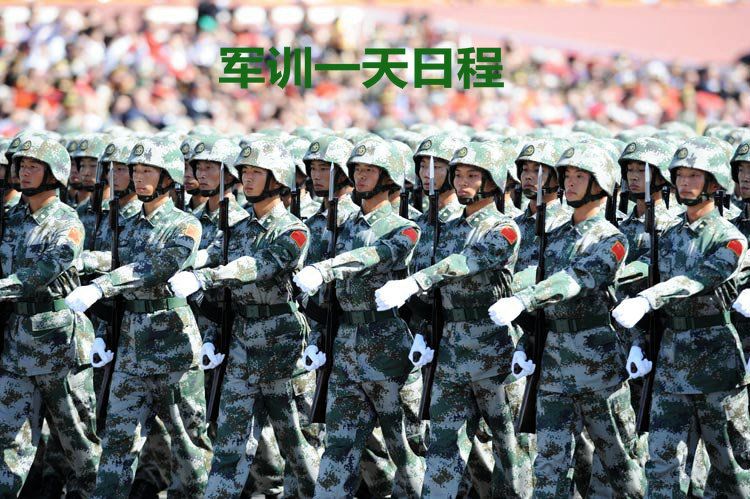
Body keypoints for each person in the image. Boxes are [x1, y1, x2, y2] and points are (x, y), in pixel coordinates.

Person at [376, 140, 534, 498]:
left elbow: (465, 262)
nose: (463, 182)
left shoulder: (503, 228)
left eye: (473, 176)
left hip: (493, 350)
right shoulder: (447, 229)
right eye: (459, 175)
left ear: (492, 181)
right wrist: (423, 329)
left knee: (509, 447)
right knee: (443, 443)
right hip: (451, 350)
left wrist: (416, 281)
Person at [490, 143, 646, 498]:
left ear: (600, 183)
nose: (570, 183)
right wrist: (526, 343)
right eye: (568, 176)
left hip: (597, 364)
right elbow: (539, 293)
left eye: (580, 177)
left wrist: (523, 299)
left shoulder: (611, 239)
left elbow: (576, 278)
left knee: (619, 462)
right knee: (549, 463)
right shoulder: (553, 236)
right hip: (553, 364)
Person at [169, 137, 321, 498]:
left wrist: (204, 277)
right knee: (229, 445)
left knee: (298, 448)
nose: (247, 179)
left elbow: (256, 266)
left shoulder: (294, 231)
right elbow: (210, 254)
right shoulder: (237, 228)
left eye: (257, 172)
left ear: (277, 178)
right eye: (246, 172)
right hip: (242, 344)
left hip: (282, 345)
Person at [65, 136, 212, 498]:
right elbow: (115, 261)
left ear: (168, 176)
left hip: (172, 344)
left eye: (148, 170)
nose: (139, 177)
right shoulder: (126, 223)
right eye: (136, 170)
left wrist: (101, 286)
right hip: (132, 344)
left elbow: (156, 267)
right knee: (118, 440)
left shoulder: (185, 225)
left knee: (187, 442)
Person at [615, 136, 750, 497]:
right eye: (680, 176)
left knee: (730, 465)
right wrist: (639, 342)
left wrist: (648, 298)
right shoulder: (669, 234)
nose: (685, 183)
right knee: (662, 461)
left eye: (694, 176)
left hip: (717, 364)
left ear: (714, 182)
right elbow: (643, 279)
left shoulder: (730, 238)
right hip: (672, 362)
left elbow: (698, 279)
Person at [294, 137, 426, 498]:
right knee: (338, 446)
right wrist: (317, 337)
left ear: (389, 177)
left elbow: (373, 255)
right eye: (358, 170)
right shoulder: (342, 225)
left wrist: (326, 268)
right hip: (345, 347)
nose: (361, 176)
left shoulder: (404, 228)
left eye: (370, 170)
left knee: (404, 447)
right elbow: (324, 297)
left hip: (387, 347)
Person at [0, 135, 101, 497]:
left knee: (77, 442)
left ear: (53, 173)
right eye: (21, 166)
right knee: (8, 440)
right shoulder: (11, 218)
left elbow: (40, 274)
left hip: (58, 346)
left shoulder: (66, 222)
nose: (23, 173)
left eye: (33, 167)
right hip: (17, 344)